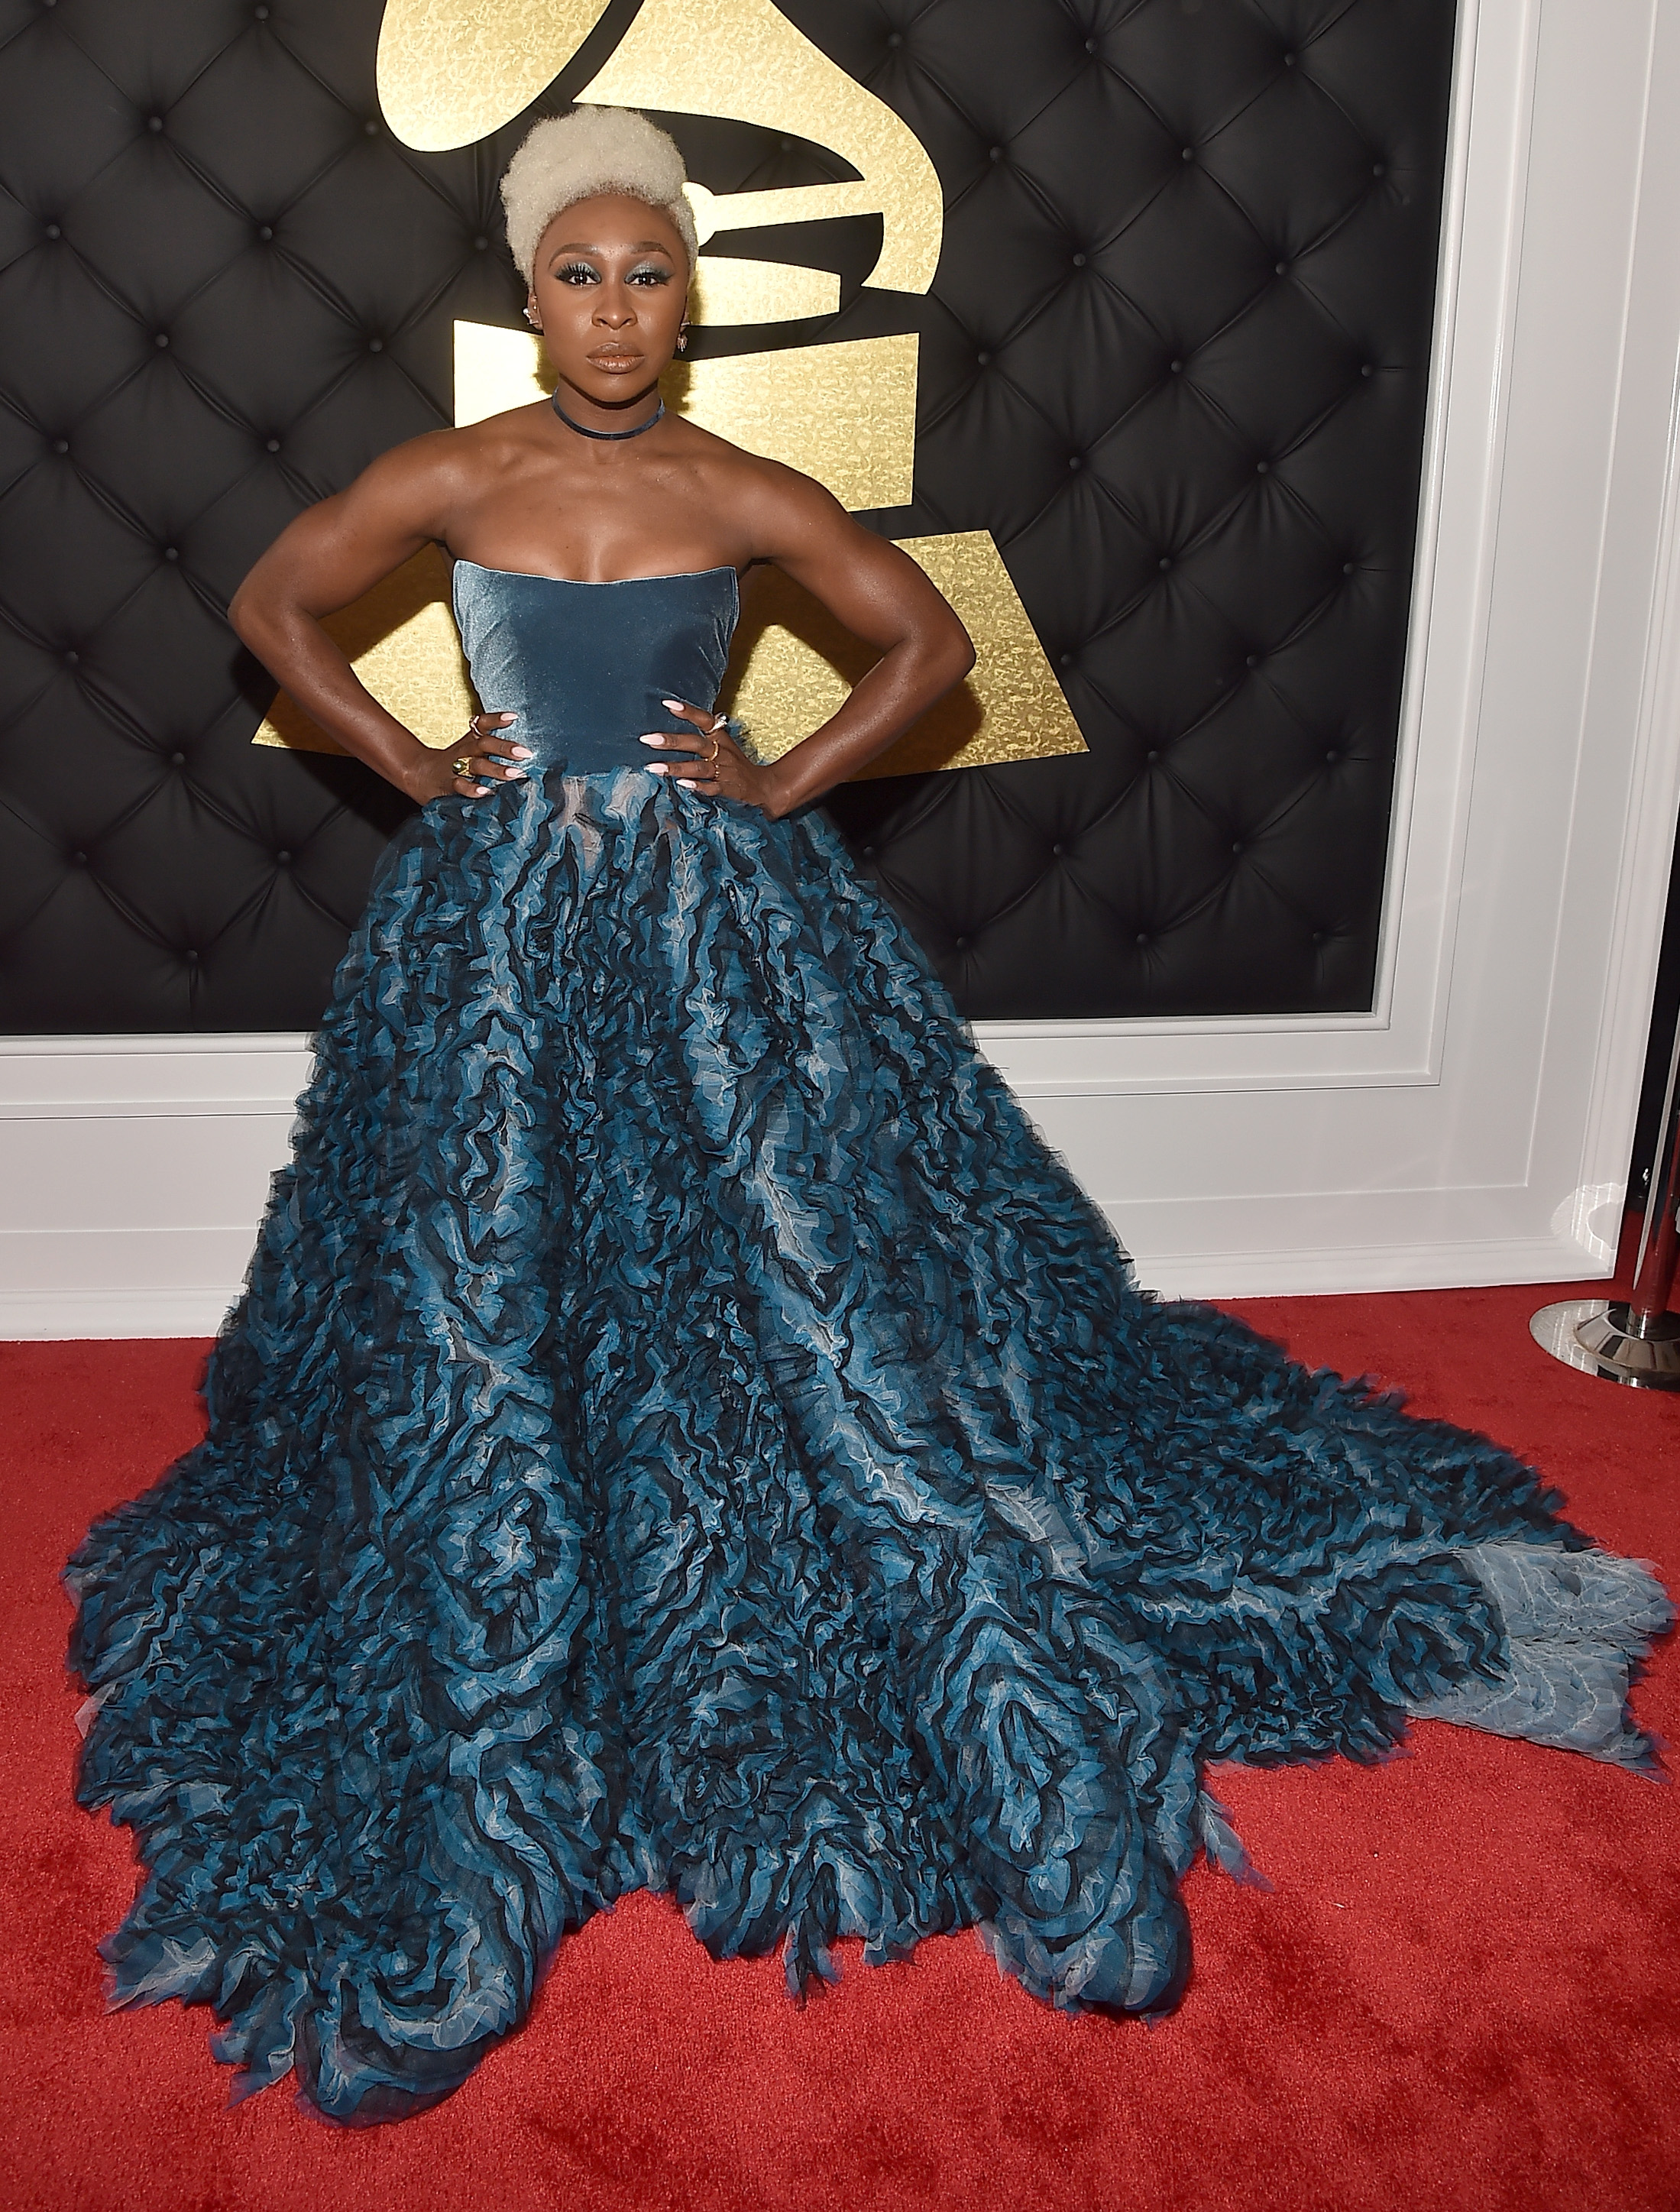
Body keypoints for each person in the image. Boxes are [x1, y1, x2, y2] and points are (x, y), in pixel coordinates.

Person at [66, 107, 1670, 2128]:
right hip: (487, 933)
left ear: (694, 295)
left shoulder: (742, 484)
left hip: (717, 921)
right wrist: (408, 754)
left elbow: (926, 649)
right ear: (529, 286)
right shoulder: (450, 471)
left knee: (795, 1259)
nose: (617, 309)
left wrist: (787, 773)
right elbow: (276, 604)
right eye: (581, 271)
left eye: (651, 273)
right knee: (486, 1261)